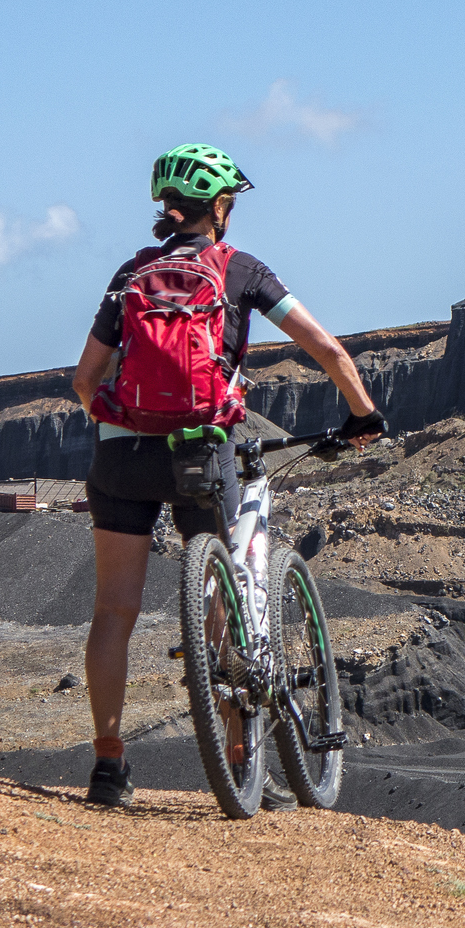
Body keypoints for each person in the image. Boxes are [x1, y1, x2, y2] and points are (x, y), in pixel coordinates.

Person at [69, 144, 384, 806]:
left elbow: (83, 378)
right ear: (219, 208)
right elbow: (325, 347)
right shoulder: (241, 270)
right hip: (200, 453)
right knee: (224, 608)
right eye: (229, 202)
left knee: (113, 610)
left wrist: (115, 422)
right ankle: (242, 761)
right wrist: (363, 414)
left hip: (121, 455)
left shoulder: (130, 274)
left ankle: (107, 766)